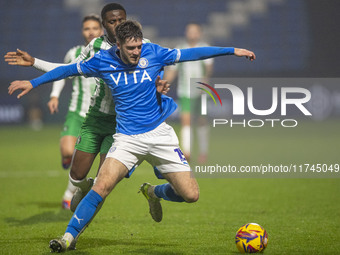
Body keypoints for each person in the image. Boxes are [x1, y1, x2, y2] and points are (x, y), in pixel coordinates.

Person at [8, 20, 255, 252]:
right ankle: (68, 238)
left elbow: (193, 54)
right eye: (131, 48)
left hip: (160, 135)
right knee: (101, 186)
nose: (137, 52)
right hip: (127, 139)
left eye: (138, 46)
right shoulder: (102, 61)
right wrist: (34, 82)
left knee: (191, 195)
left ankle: (153, 192)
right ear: (118, 46)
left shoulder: (153, 52)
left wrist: (232, 50)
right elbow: (66, 70)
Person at [4, 3, 169, 213]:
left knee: (104, 182)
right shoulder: (95, 47)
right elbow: (68, 70)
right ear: (104, 25)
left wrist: (159, 85)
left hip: (122, 123)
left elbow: (155, 71)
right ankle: (81, 188)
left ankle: (72, 234)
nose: (117, 25)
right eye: (112, 21)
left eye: (121, 20)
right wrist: (35, 62)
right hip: (96, 117)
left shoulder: (143, 45)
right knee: (77, 175)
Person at [49, 14, 103, 209]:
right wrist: (54, 95)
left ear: (101, 30)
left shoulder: (108, 52)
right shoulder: (74, 53)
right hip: (76, 112)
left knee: (84, 162)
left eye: (94, 28)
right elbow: (62, 74)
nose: (91, 32)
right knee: (68, 151)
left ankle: (69, 194)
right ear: (82, 32)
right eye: (87, 28)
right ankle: (67, 159)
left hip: (98, 116)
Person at [164, 23, 213, 163]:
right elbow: (173, 70)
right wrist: (164, 83)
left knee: (202, 121)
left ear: (199, 33)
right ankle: (187, 152)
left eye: (195, 31)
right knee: (186, 120)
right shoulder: (180, 49)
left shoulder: (205, 48)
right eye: (189, 31)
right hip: (185, 91)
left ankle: (203, 152)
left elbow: (208, 68)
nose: (192, 34)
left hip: (201, 92)